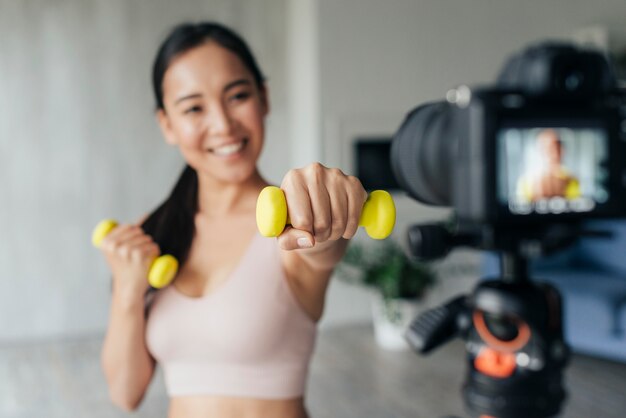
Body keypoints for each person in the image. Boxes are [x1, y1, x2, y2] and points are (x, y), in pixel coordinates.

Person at [98, 22, 367, 418]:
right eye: (194, 108)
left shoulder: (294, 221)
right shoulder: (152, 232)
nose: (223, 125)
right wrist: (126, 289)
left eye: (237, 96)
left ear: (264, 98)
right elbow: (125, 394)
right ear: (167, 125)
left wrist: (330, 216)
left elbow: (322, 246)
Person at [516, 128, 580, 203]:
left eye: (556, 147)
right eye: (546, 148)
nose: (554, 153)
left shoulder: (572, 180)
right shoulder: (526, 181)